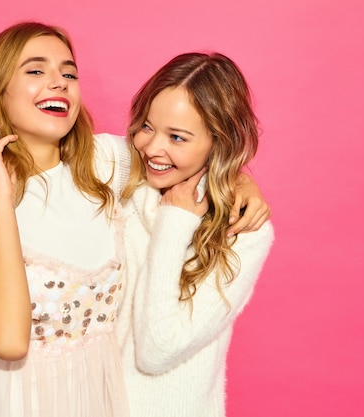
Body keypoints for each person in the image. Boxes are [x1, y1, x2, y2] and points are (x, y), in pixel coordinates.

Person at [0, 22, 269, 417]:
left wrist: (240, 182)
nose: (59, 82)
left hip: (101, 398)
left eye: (69, 73)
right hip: (13, 402)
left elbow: (189, 154)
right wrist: (3, 202)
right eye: (36, 70)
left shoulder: (107, 162)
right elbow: (10, 340)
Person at [115, 52, 274, 417]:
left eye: (177, 137)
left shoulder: (244, 232)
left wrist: (175, 222)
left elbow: (157, 352)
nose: (154, 148)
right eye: (147, 127)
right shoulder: (120, 177)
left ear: (218, 143)